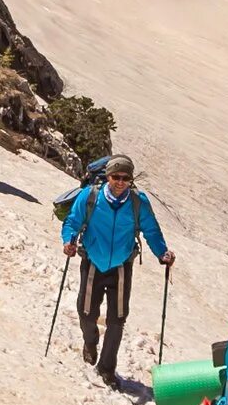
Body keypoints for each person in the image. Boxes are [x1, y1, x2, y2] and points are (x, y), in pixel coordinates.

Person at [59, 154, 171, 386]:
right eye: (116, 177)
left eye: (125, 178)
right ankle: (90, 343)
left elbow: (151, 231)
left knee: (117, 319)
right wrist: (68, 240)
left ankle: (106, 369)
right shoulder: (90, 197)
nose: (120, 182)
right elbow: (72, 222)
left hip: (121, 265)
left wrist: (162, 253)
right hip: (92, 261)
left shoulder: (138, 203)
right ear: (108, 176)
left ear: (131, 179)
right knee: (86, 313)